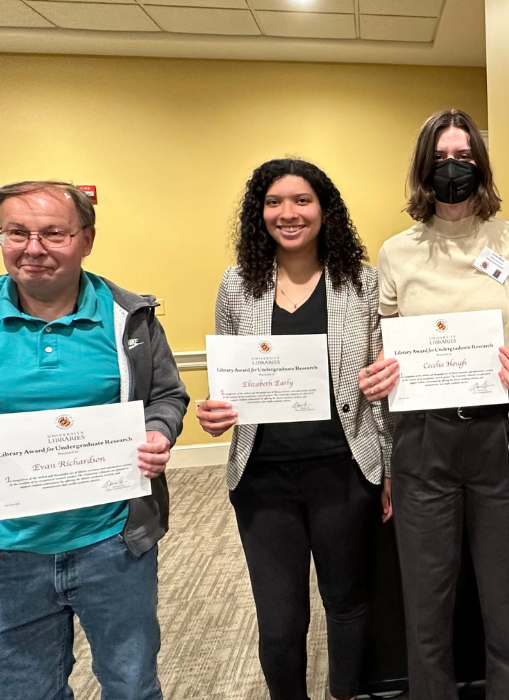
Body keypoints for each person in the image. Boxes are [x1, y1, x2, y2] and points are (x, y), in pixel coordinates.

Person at [0, 180, 189, 699]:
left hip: (114, 545)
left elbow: (167, 396)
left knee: (132, 684)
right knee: (25, 691)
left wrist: (157, 430)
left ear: (87, 239)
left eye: (53, 234)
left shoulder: (131, 318)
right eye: (16, 232)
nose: (33, 249)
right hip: (4, 552)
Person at [359, 109, 509, 700]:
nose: (452, 167)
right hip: (423, 438)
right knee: (427, 594)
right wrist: (379, 376)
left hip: (500, 435)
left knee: (504, 591)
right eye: (441, 158)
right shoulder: (396, 252)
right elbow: (383, 346)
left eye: (464, 157)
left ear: (481, 165)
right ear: (423, 168)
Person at [195, 158, 391, 700]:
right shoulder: (237, 286)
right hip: (262, 477)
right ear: (259, 214)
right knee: (280, 619)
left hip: (344, 469)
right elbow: (229, 383)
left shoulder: (362, 284)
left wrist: (390, 468)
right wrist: (214, 412)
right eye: (274, 201)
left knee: (346, 601)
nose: (289, 213)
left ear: (325, 210)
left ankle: (345, 693)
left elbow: (380, 391)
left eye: (302, 200)